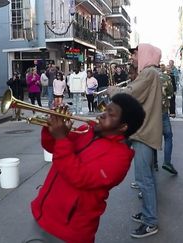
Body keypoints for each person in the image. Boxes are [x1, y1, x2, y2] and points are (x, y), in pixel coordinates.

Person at [26, 93, 145, 243]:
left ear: (123, 126)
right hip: (42, 213)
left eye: (110, 114)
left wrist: (62, 138)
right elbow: (53, 147)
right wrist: (53, 124)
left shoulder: (120, 158)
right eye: (105, 109)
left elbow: (79, 177)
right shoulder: (87, 130)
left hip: (69, 230)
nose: (102, 115)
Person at [107, 43, 163, 238]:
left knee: (144, 179)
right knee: (148, 178)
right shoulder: (152, 73)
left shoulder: (149, 73)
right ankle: (148, 212)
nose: (132, 57)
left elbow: (130, 94)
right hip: (145, 131)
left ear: (145, 54)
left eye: (136, 53)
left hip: (143, 133)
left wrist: (113, 91)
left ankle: (150, 222)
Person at [159, 64, 177, 175]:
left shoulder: (146, 78)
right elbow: (171, 93)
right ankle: (167, 162)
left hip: (150, 112)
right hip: (163, 111)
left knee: (150, 139)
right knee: (168, 136)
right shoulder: (166, 78)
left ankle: (154, 163)